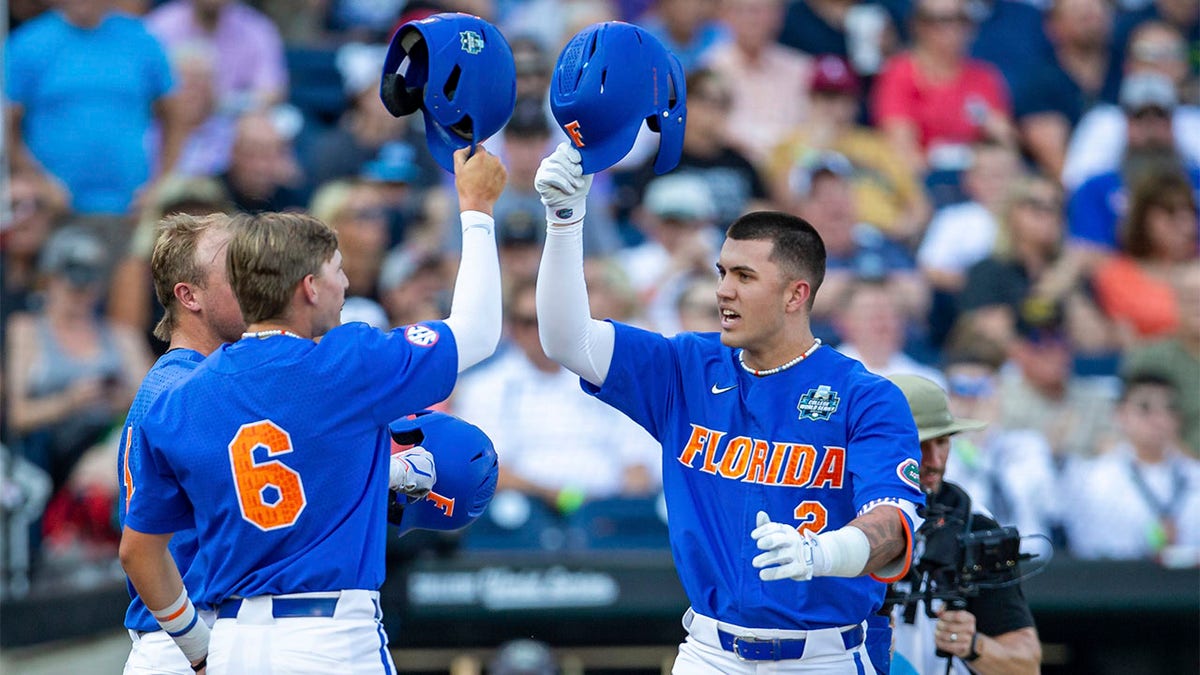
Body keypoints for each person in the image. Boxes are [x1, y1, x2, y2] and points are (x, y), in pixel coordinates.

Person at [534, 142, 924, 672]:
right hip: (710, 652)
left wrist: (823, 553)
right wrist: (564, 221)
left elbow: (895, 525)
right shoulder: (687, 365)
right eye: (721, 272)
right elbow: (566, 341)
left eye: (744, 277)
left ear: (795, 294)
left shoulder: (866, 395)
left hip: (822, 656)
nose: (723, 291)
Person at [118, 146, 506, 672]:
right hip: (316, 634)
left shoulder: (183, 395)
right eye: (337, 270)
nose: (345, 284)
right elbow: (477, 332)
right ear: (307, 287)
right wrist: (478, 208)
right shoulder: (344, 361)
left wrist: (384, 472)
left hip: (230, 638)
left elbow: (269, 464)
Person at [117, 212, 247, 675]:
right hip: (187, 639)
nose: (254, 278)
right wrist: (200, 652)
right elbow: (138, 551)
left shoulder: (192, 381)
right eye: (235, 267)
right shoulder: (186, 390)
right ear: (188, 295)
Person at [886, 374, 1042, 675]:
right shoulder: (840, 517)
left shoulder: (975, 525)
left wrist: (974, 645)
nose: (934, 460)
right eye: (919, 444)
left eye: (942, 441)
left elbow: (1027, 665)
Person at [1062, 373, 1200, 561]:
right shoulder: (1096, 478)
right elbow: (1090, 549)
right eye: (1145, 408)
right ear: (1120, 415)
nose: (1159, 419)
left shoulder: (1193, 474)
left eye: (1170, 409)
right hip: (1123, 583)